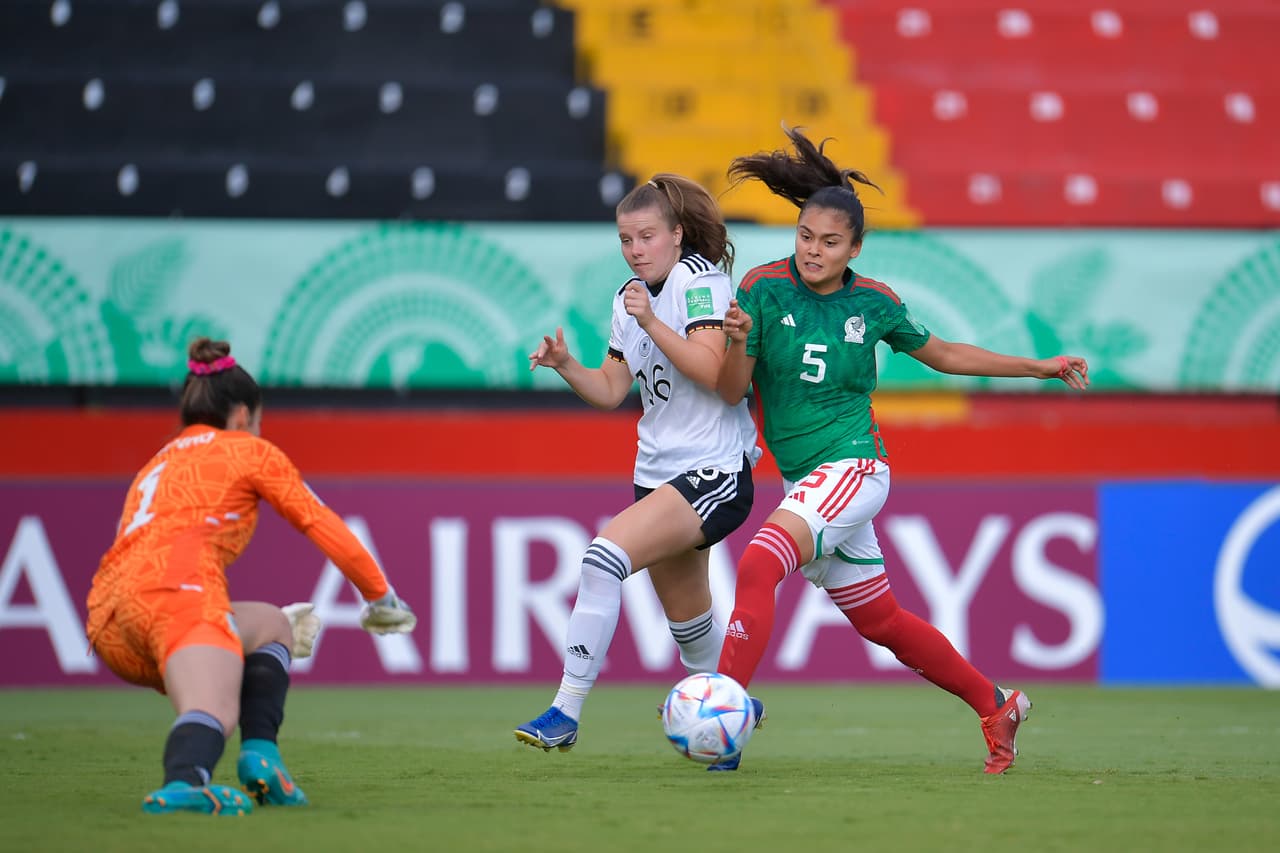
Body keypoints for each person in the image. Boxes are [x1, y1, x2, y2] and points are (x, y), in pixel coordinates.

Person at [712, 127, 1091, 773]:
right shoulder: (761, 289)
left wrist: (1038, 367)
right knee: (880, 619)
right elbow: (731, 391)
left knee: (758, 564)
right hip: (805, 480)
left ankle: (720, 718)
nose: (813, 251)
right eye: (806, 237)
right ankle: (996, 702)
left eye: (830, 242)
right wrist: (733, 341)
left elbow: (944, 354)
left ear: (855, 247)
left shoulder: (875, 302)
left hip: (855, 465)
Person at [86, 337, 417, 816]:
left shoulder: (158, 461)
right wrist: (380, 596)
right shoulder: (247, 450)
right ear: (242, 415)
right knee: (215, 710)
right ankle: (183, 784)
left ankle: (263, 761)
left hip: (109, 620)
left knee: (271, 625)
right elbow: (319, 522)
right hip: (178, 597)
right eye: (259, 421)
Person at [514, 174, 763, 752]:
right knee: (691, 630)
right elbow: (610, 389)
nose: (635, 249)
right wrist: (567, 365)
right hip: (655, 475)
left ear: (677, 236)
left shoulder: (701, 282)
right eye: (626, 239)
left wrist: (650, 318)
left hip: (714, 473)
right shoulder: (629, 296)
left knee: (603, 560)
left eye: (647, 236)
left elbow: (710, 369)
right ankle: (729, 714)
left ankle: (564, 712)